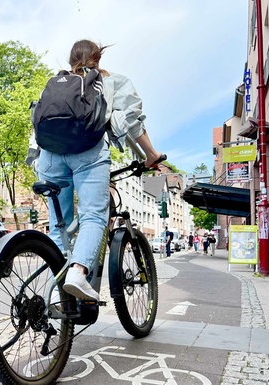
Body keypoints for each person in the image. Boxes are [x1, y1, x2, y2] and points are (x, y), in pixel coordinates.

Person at [35, 39, 163, 301]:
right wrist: (151, 155)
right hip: (88, 153)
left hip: (49, 155)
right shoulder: (112, 81)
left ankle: (57, 300)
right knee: (93, 215)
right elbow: (133, 122)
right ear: (98, 57)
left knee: (59, 227)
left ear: (70, 60)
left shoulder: (57, 83)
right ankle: (78, 273)